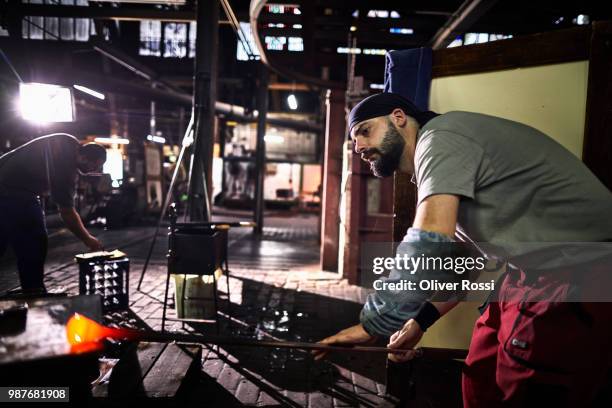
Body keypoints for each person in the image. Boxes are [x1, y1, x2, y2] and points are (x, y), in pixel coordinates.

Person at [314, 93, 612, 406]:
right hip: (522, 275)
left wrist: (373, 325)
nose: (358, 147)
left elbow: (428, 240)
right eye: (354, 138)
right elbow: (465, 262)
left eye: (364, 130)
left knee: (527, 391)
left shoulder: (441, 138)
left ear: (399, 117)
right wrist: (419, 322)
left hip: (580, 274)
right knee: (479, 378)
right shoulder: (443, 161)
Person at [0, 133, 106, 293]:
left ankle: (33, 288)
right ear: (84, 158)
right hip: (12, 193)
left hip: (12, 187)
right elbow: (67, 212)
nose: (95, 171)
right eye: (95, 166)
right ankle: (33, 291)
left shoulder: (68, 140)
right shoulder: (66, 170)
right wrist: (88, 239)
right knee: (34, 241)